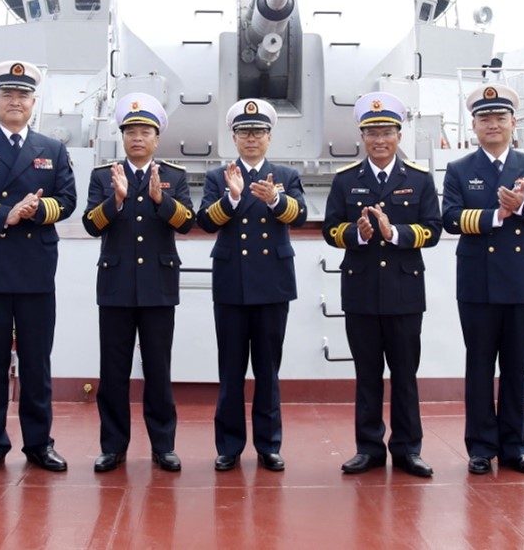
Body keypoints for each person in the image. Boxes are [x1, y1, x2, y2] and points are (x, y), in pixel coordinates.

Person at [0, 60, 77, 477]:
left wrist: (38, 210)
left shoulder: (52, 149)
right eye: (8, 94)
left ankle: (39, 443)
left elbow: (68, 200)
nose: (15, 101)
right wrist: (8, 213)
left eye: (23, 95)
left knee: (37, 362)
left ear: (34, 102)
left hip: (35, 268)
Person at [442, 83, 524, 477]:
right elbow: (451, 219)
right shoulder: (460, 170)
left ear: (513, 122)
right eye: (484, 119)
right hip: (478, 282)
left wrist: (523, 205)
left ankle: (514, 447)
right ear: (473, 126)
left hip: (521, 281)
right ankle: (480, 447)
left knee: (515, 368)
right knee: (479, 366)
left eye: (499, 117)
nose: (492, 124)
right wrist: (496, 216)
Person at [322, 92, 441, 478]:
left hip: (404, 294)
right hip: (360, 293)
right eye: (372, 132)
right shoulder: (345, 181)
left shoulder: (419, 180)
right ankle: (369, 448)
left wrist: (394, 233)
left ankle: (408, 449)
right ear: (362, 136)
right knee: (367, 374)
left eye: (386, 131)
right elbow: (330, 230)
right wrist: (355, 234)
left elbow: (433, 230)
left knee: (405, 375)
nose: (379, 140)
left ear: (399, 135)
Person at [82, 93, 194, 473]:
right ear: (123, 136)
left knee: (158, 371)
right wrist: (115, 200)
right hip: (115, 287)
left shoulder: (174, 177)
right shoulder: (104, 176)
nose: (137, 138)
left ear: (157, 138)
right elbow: (90, 225)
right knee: (112, 372)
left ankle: (163, 446)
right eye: (131, 131)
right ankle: (113, 446)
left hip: (158, 287)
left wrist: (162, 200)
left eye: (145, 131)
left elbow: (186, 223)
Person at [197, 98, 306, 472]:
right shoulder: (218, 176)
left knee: (267, 370)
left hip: (272, 285)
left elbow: (301, 215)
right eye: (244, 132)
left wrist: (275, 199)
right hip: (231, 285)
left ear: (269, 137)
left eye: (258, 132)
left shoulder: (285, 176)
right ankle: (228, 446)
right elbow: (207, 222)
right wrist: (232, 197)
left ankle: (268, 444)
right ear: (234, 137)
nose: (251, 138)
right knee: (230, 371)